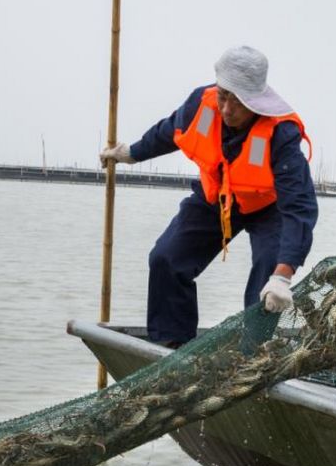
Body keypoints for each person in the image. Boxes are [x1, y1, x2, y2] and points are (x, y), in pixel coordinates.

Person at [100, 46, 318, 348]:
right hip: (218, 196)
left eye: (238, 101)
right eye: (224, 95)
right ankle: (171, 347)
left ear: (255, 101)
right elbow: (169, 131)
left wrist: (283, 274)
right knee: (166, 258)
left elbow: (299, 206)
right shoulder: (201, 105)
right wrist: (130, 154)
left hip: (269, 207)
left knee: (267, 275)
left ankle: (253, 355)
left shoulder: (281, 132)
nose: (227, 109)